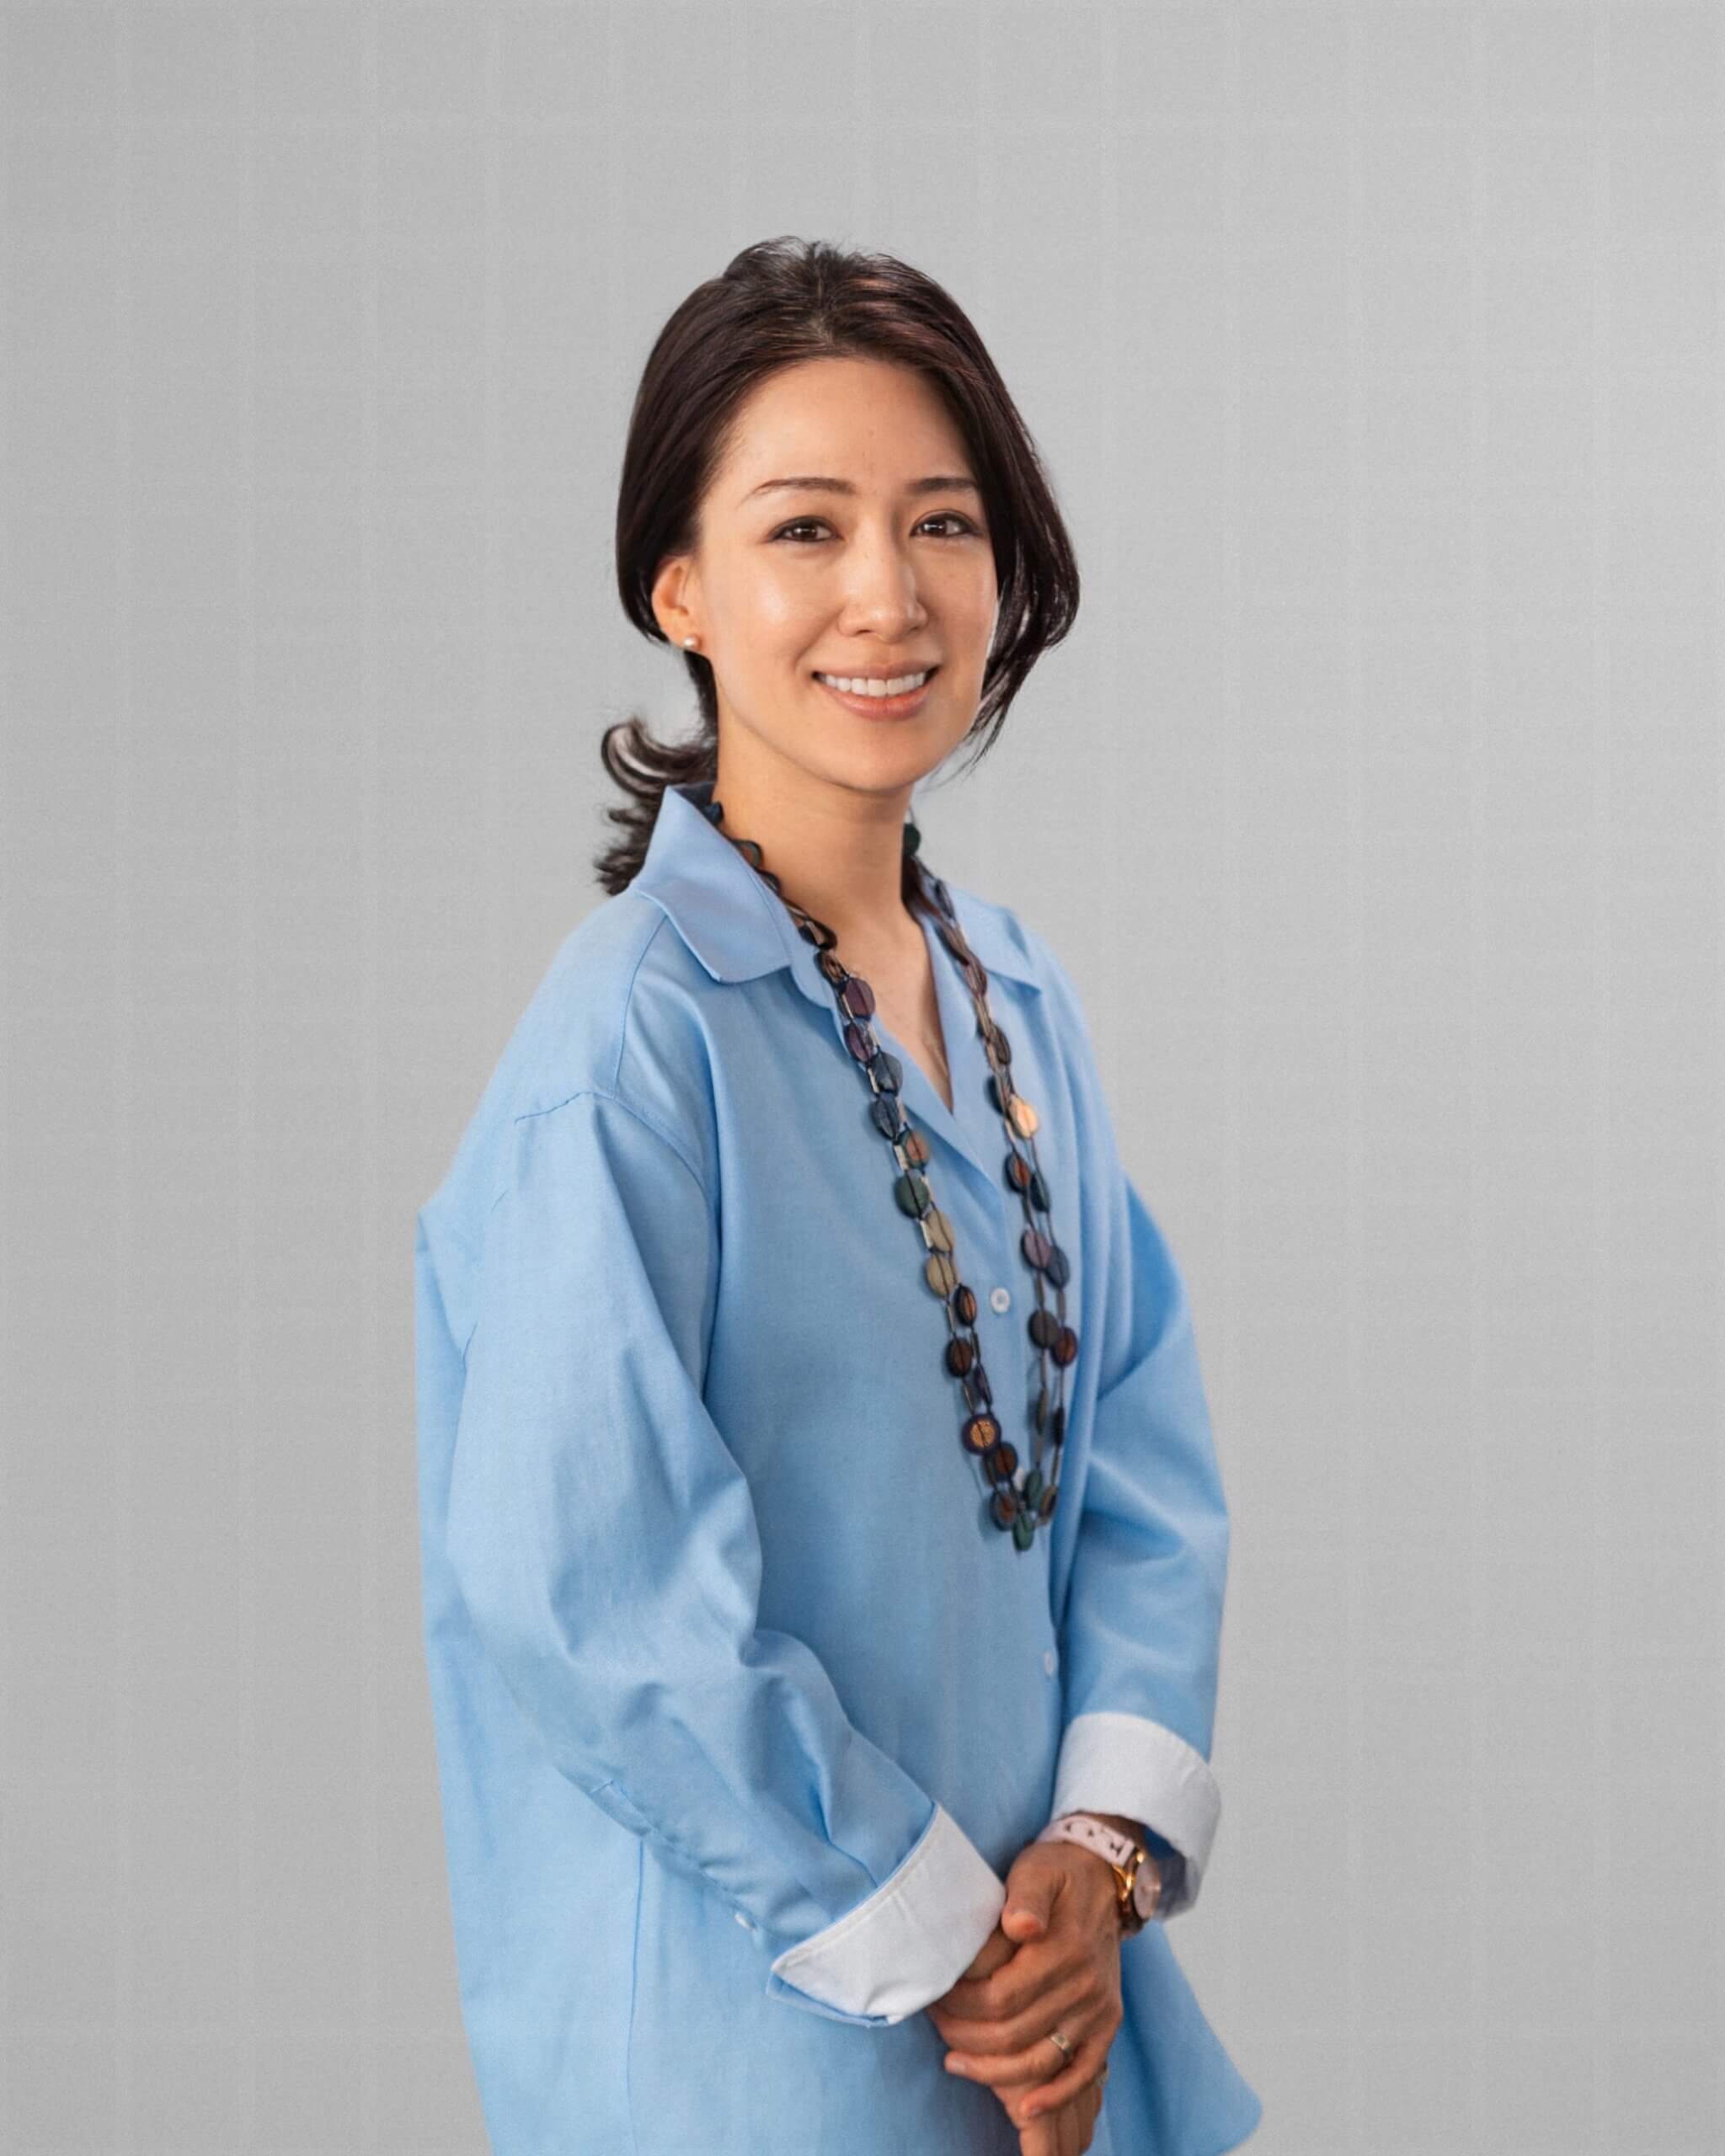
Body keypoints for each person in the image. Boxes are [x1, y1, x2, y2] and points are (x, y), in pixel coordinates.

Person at [414, 236, 1263, 2156]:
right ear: (683, 586)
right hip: (753, 2050)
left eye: (940, 522)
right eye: (806, 527)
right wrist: (958, 1934)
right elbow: (591, 1600)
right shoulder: (630, 1050)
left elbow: (1141, 1461)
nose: (887, 593)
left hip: (1055, 2016)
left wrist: (1096, 1857)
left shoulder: (1018, 997)